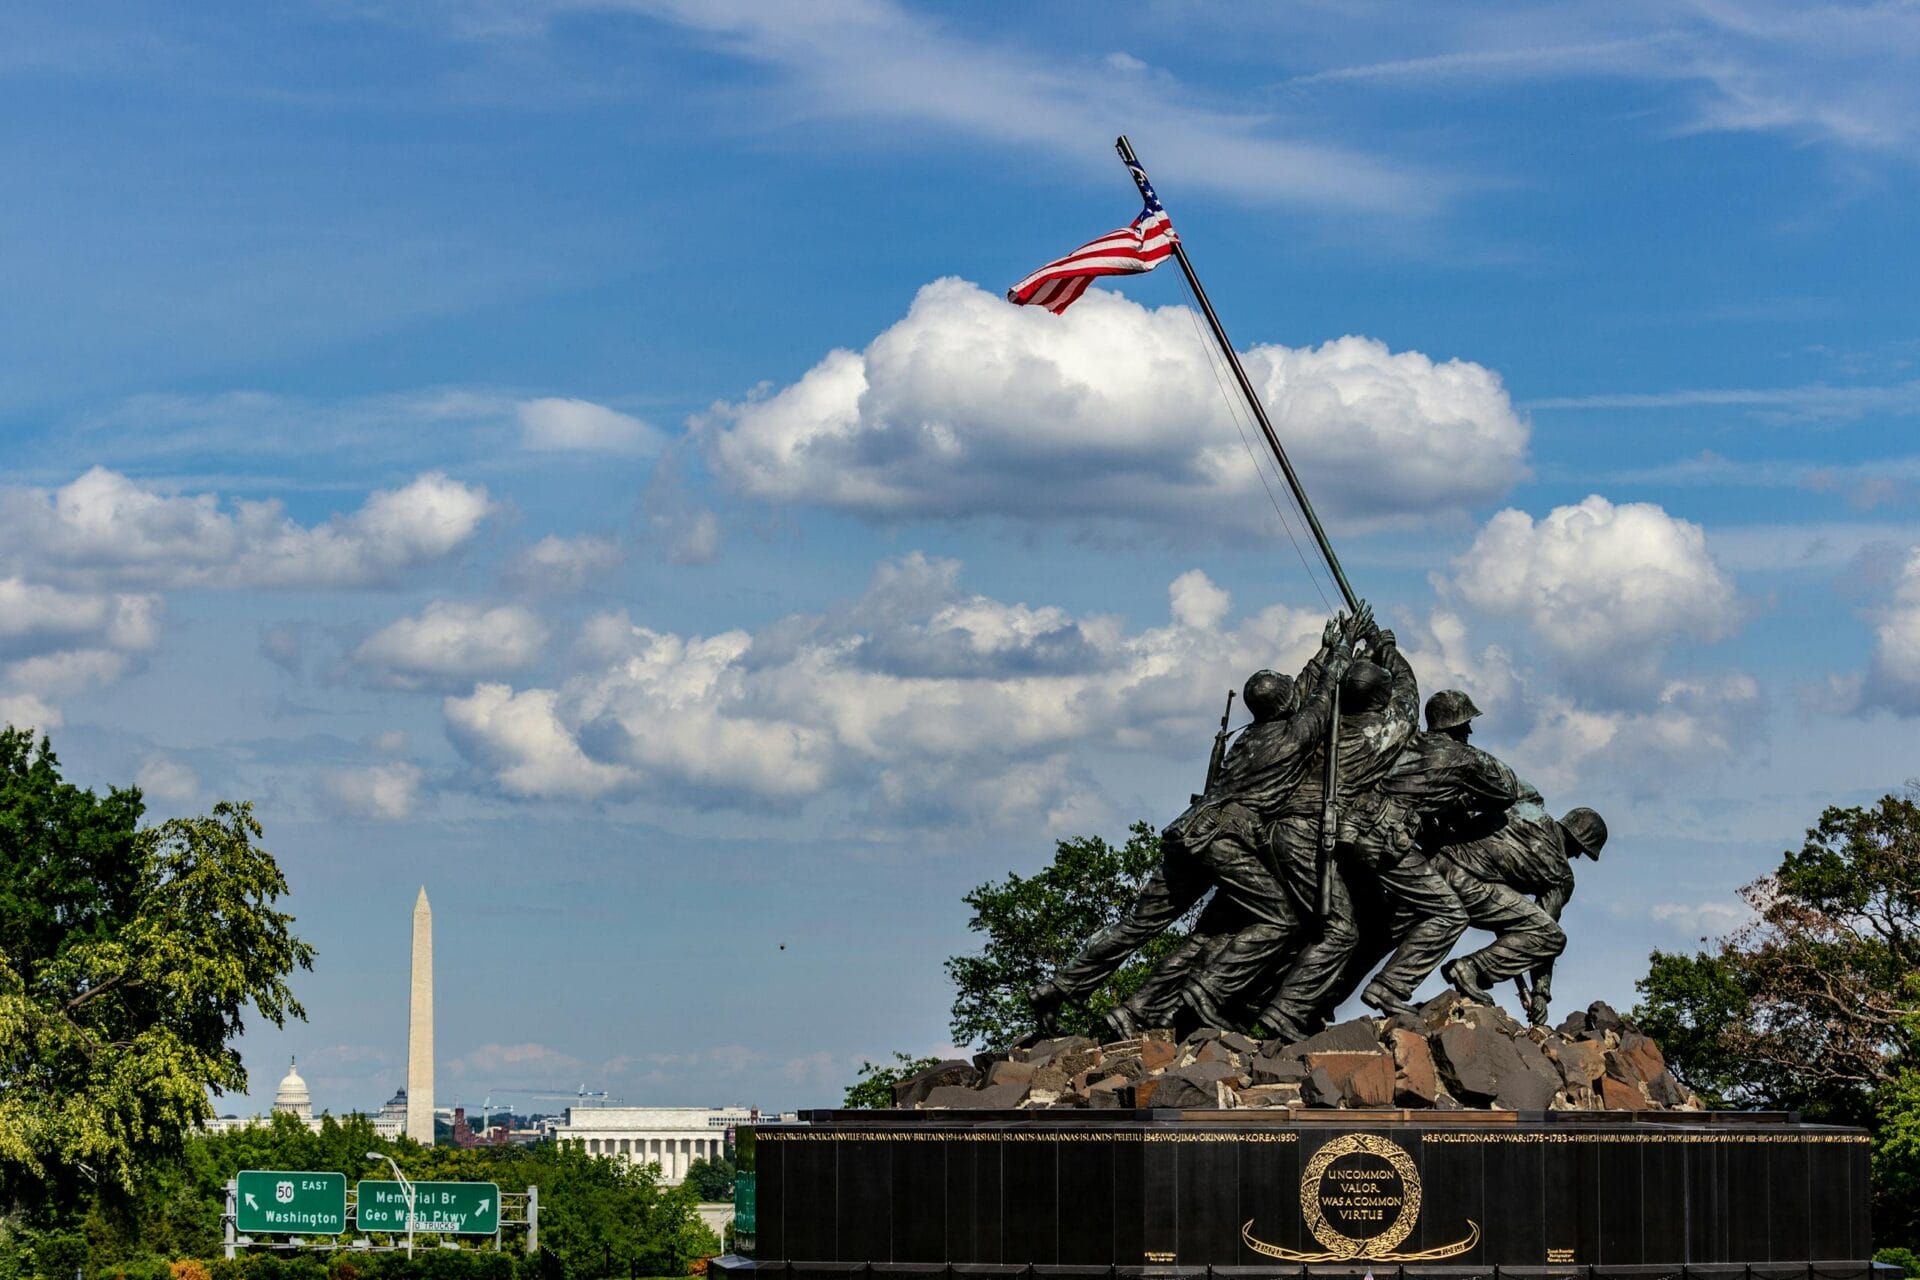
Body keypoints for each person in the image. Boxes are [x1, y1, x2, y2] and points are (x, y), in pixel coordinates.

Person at [1028, 608, 1364, 1039]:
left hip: (1187, 832)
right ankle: (1208, 994)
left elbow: (1300, 692)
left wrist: (1324, 650)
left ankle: (1059, 988)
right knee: (1280, 918)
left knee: (1137, 925)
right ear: (1286, 705)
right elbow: (1320, 698)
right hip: (1225, 839)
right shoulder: (1295, 735)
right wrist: (1342, 649)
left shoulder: (1252, 735)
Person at [1256, 622, 1477, 1030]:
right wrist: (1386, 644)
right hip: (1309, 834)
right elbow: (1409, 689)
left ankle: (1283, 1005)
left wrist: (1334, 652)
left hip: (1274, 828)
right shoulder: (1384, 734)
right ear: (1380, 698)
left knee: (1317, 922)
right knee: (1340, 930)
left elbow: (1303, 697)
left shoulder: (1319, 728)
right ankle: (1283, 1010)